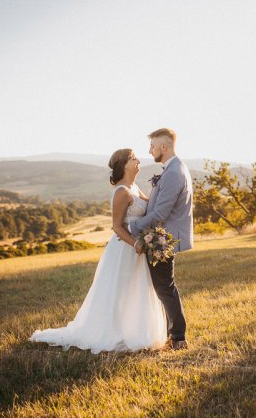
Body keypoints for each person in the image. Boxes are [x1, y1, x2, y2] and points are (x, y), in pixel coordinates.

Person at [29, 149, 168, 353]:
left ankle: (136, 330)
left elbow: (152, 208)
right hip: (125, 248)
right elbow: (117, 226)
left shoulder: (135, 187)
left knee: (136, 289)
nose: (138, 160)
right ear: (123, 165)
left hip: (139, 246)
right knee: (119, 290)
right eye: (133, 158)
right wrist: (137, 244)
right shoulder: (122, 191)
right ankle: (113, 332)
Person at [130, 128, 193, 351]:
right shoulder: (173, 169)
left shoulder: (175, 173)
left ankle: (178, 337)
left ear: (163, 147)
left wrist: (132, 225)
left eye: (153, 146)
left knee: (165, 287)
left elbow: (160, 214)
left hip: (163, 239)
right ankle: (172, 333)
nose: (150, 150)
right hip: (161, 237)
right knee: (163, 287)